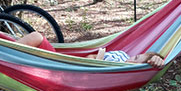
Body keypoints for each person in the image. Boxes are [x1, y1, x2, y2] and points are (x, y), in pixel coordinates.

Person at [17, 32, 165, 69]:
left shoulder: (121, 71)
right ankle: (1, 51)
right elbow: (90, 57)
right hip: (65, 62)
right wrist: (95, 59)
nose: (132, 58)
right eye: (136, 56)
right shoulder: (121, 55)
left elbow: (93, 72)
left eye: (136, 60)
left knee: (36, 37)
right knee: (35, 38)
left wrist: (158, 61)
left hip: (65, 70)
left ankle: (2, 54)